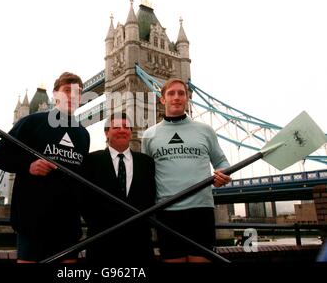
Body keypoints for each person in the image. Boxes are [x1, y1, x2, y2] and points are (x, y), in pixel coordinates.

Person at [0, 72, 90, 263]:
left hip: (68, 223)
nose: (72, 96)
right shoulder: (31, 122)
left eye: (77, 93)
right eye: (67, 91)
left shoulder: (83, 134)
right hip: (33, 220)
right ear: (55, 94)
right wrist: (28, 166)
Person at [141, 78, 231, 263]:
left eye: (181, 93)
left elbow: (222, 162)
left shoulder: (206, 131)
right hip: (167, 211)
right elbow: (146, 175)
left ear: (187, 98)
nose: (176, 97)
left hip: (201, 209)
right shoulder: (149, 135)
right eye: (171, 93)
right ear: (162, 99)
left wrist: (223, 175)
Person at [82, 112, 156, 264]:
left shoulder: (147, 162)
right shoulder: (91, 161)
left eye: (126, 127)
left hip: (139, 243)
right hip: (102, 242)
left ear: (130, 132)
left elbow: (151, 197)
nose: (122, 130)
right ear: (106, 132)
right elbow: (83, 199)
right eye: (116, 127)